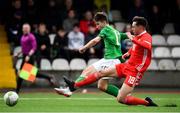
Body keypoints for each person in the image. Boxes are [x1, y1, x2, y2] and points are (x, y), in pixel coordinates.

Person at [61, 16, 158, 106]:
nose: (131, 29)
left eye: (133, 27)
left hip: (135, 71)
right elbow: (135, 47)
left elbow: (147, 46)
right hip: (127, 65)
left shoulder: (147, 37)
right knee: (101, 73)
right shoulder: (137, 36)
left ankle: (147, 103)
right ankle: (74, 86)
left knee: (121, 99)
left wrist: (133, 40)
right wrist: (128, 53)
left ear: (140, 27)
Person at [55, 12, 128, 97]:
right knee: (101, 85)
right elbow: (125, 35)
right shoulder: (115, 31)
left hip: (111, 61)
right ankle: (69, 90)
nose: (97, 27)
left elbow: (95, 41)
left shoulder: (105, 29)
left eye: (98, 24)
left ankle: (70, 90)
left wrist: (84, 47)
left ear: (104, 22)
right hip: (111, 60)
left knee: (92, 76)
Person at [14, 23, 55, 93]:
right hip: (25, 56)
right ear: (22, 29)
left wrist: (29, 56)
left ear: (29, 29)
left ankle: (16, 91)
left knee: (23, 74)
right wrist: (19, 53)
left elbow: (34, 48)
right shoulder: (23, 36)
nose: (25, 29)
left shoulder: (31, 37)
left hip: (29, 57)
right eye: (24, 28)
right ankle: (48, 77)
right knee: (32, 74)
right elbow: (24, 48)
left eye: (27, 28)